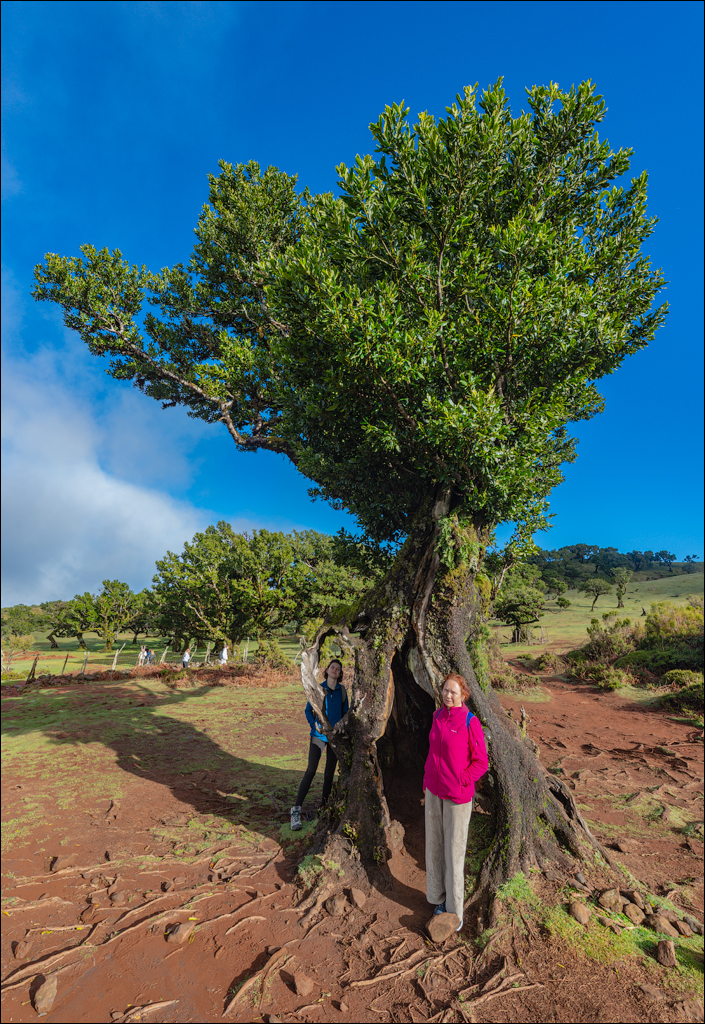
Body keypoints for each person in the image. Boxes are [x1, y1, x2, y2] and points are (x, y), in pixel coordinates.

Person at [423, 673, 489, 931]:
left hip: (458, 797)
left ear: (463, 695)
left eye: (453, 692)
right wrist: (428, 778)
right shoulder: (437, 716)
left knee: (454, 852)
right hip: (433, 791)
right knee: (435, 846)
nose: (448, 696)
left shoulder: (470, 722)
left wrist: (462, 779)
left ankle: (455, 910)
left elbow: (481, 762)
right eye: (445, 691)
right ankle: (437, 899)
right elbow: (432, 751)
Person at [290, 659, 349, 831]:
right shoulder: (318, 689)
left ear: (340, 673)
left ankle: (324, 808)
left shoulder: (343, 691)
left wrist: (341, 729)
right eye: (332, 667)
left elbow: (346, 713)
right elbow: (308, 710)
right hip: (318, 735)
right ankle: (296, 810)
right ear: (327, 670)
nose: (335, 670)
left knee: (329, 774)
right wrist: (313, 724)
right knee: (311, 770)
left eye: (338, 669)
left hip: (335, 738)